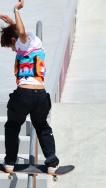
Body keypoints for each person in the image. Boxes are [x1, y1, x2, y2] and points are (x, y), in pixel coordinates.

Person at [0, 0, 59, 174]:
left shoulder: (23, 41)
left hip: (24, 95)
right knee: (42, 127)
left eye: (11, 46)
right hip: (41, 96)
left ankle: (10, 162)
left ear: (13, 40)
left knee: (12, 126)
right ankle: (51, 163)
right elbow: (21, 34)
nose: (13, 50)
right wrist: (11, 23)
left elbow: (21, 33)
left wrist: (15, 11)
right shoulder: (35, 44)